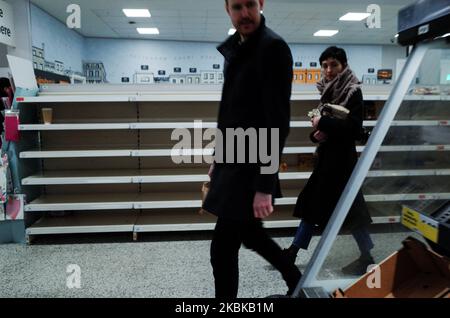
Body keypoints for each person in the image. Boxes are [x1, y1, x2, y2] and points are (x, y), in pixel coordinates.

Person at [202, 0, 301, 297]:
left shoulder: (273, 48)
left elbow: (277, 121)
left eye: (249, 5)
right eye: (236, 7)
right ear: (227, 10)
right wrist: (219, 157)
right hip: (234, 161)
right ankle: (295, 280)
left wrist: (264, 185)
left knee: (222, 248)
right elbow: (230, 111)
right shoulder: (237, 47)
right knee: (252, 236)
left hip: (252, 167)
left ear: (260, 4)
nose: (244, 13)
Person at [283, 46, 375, 276]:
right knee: (315, 205)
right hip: (327, 159)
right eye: (325, 65)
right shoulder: (328, 91)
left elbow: (353, 128)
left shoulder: (353, 91)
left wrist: (321, 124)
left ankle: (367, 257)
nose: (329, 70)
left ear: (344, 65)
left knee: (349, 209)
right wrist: (316, 133)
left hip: (342, 162)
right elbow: (323, 127)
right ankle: (293, 251)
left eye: (333, 64)